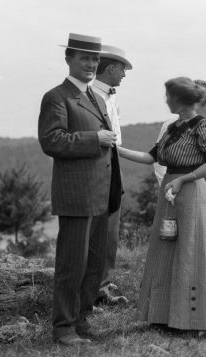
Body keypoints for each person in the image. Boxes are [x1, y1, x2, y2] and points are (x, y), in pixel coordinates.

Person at [117, 77, 206, 336]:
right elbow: (151, 157)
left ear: (180, 100)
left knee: (190, 252)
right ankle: (162, 315)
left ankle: (193, 320)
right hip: (170, 193)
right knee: (165, 250)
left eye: (169, 97)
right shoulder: (173, 127)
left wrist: (183, 179)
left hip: (191, 191)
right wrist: (116, 149)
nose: (166, 101)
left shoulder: (202, 126)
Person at [38, 33, 121, 345]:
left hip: (101, 195)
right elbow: (51, 140)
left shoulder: (96, 99)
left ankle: (82, 322)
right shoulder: (56, 97)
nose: (90, 64)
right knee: (72, 265)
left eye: (95, 59)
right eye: (84, 58)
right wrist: (94, 139)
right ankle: (63, 328)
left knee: (94, 264)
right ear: (69, 59)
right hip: (76, 196)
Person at [152, 79, 206, 276]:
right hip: (178, 189)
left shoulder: (203, 125)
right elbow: (160, 163)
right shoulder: (172, 125)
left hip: (204, 186)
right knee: (183, 239)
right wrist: (169, 189)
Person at [91, 44, 132, 305]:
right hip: (97, 165)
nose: (124, 75)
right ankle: (95, 287)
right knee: (99, 228)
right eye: (122, 70)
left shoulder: (111, 96)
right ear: (111, 68)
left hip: (113, 161)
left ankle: (101, 283)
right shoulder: (91, 95)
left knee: (111, 228)